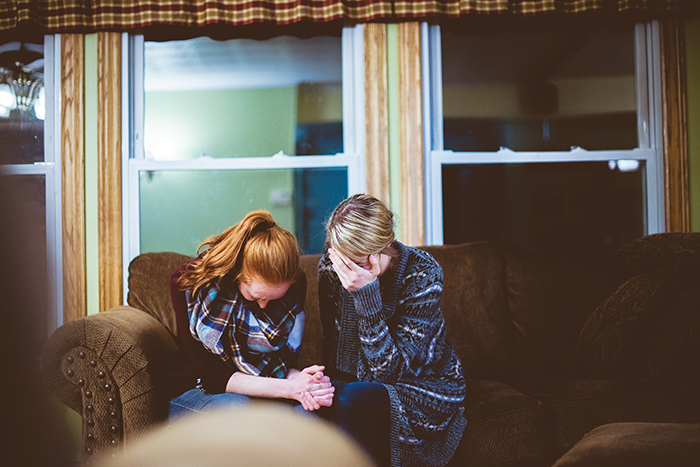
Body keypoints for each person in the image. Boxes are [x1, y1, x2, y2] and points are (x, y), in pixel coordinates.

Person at [317, 194, 468, 467]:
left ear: (385, 246)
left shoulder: (423, 274)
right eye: (343, 260)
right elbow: (336, 348)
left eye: (358, 262)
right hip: (357, 383)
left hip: (424, 385)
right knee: (317, 403)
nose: (347, 272)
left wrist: (367, 295)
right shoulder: (331, 268)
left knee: (354, 399)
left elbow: (386, 374)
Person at [167, 210, 334, 420]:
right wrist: (290, 389)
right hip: (197, 389)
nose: (264, 307)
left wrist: (306, 382)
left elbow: (280, 365)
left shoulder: (295, 286)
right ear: (237, 274)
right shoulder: (188, 284)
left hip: (263, 387)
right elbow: (212, 376)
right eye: (255, 297)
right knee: (239, 409)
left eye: (273, 299)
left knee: (309, 413)